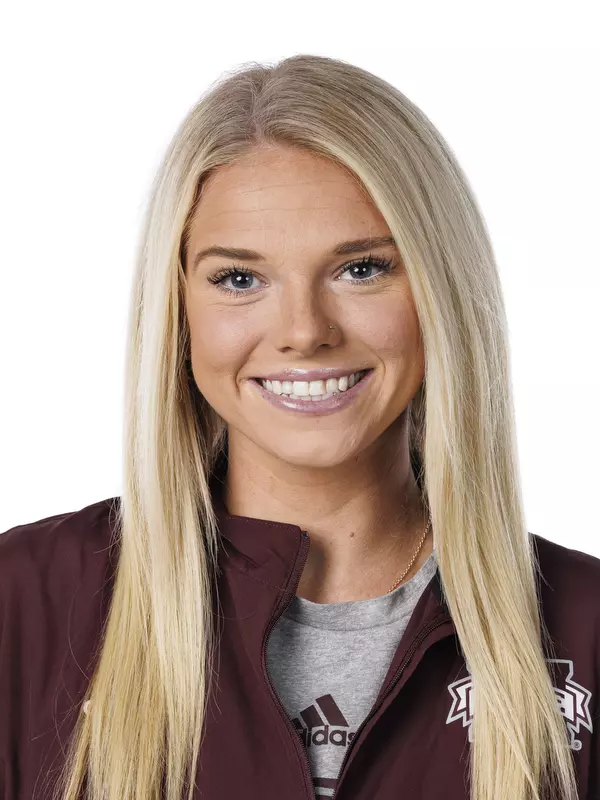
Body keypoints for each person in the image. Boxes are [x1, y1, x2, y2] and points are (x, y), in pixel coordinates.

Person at [0, 54, 598, 800]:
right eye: (239, 279)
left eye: (361, 269)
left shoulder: (585, 626)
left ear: (440, 288)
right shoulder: (21, 605)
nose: (304, 331)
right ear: (179, 313)